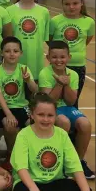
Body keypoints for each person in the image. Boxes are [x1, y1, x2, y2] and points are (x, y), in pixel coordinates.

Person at [11, 93, 95, 191]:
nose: (45, 119)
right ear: (32, 115)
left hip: (54, 182)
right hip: (29, 183)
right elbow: (21, 169)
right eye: (41, 115)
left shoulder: (61, 134)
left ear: (56, 116)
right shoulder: (24, 135)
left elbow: (75, 166)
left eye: (50, 115)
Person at [38, 40, 94, 178]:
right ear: (48, 58)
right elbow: (48, 102)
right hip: (52, 109)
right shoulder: (45, 74)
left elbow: (71, 101)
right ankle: (61, 161)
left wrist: (66, 85)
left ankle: (78, 161)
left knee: (85, 124)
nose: (59, 60)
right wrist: (58, 84)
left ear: (69, 57)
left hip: (67, 107)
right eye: (54, 57)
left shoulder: (73, 75)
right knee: (63, 122)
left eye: (62, 57)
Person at [0, 36, 38, 170]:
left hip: (22, 107)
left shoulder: (24, 68)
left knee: (35, 125)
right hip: (4, 109)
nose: (12, 54)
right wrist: (8, 114)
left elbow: (35, 90)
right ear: (2, 53)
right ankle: (11, 155)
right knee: (9, 124)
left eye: (15, 51)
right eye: (8, 51)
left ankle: (30, 155)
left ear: (20, 53)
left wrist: (28, 80)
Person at [50, 0, 95, 106]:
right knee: (55, 102)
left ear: (82, 3)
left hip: (78, 66)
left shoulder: (89, 22)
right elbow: (50, 42)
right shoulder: (55, 21)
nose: (71, 7)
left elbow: (86, 40)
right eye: (67, 4)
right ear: (62, 4)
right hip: (57, 67)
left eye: (75, 3)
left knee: (72, 101)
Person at [6, 0, 50, 82]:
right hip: (14, 63)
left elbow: (46, 38)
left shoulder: (44, 12)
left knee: (34, 96)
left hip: (36, 64)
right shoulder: (9, 11)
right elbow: (6, 38)